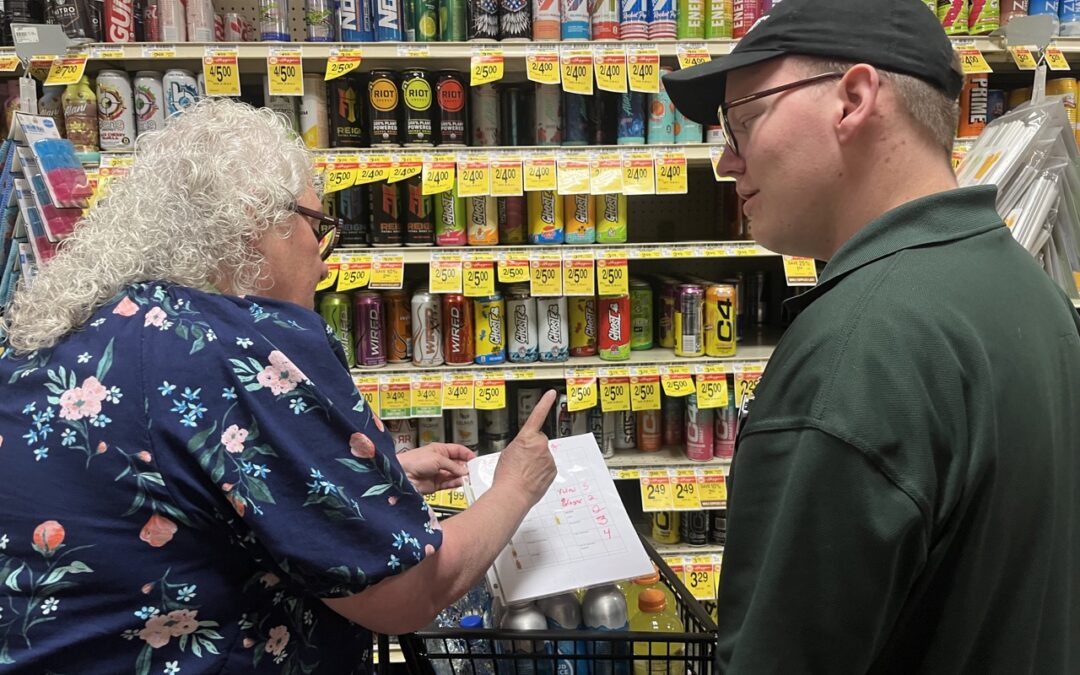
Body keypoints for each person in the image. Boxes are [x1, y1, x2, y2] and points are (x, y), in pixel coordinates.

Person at [0, 98, 558, 673]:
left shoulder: (83, 327)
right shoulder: (233, 347)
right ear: (254, 219)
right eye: (317, 228)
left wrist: (351, 486)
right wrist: (515, 487)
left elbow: (184, 486)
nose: (321, 264)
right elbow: (405, 595)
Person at [664, 0, 1080, 672]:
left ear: (854, 99)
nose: (724, 162)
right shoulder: (1035, 295)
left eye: (741, 124)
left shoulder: (855, 351)